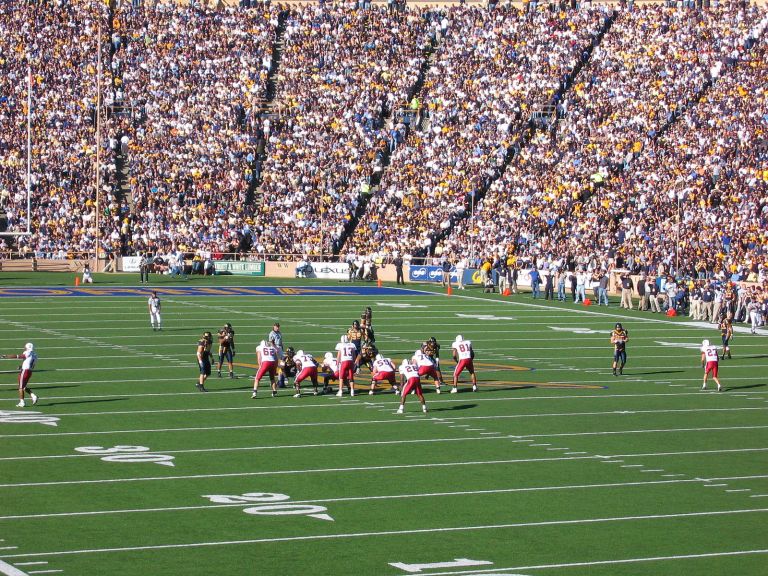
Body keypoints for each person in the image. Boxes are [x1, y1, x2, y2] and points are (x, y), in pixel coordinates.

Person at [2, 343, 39, 408]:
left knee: (21, 388)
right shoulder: (35, 355)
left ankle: (22, 402)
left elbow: (18, 356)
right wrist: (21, 367)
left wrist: (6, 356)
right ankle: (33, 396)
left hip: (25, 371)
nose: (24, 348)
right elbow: (31, 365)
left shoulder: (28, 353)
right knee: (23, 386)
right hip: (29, 371)